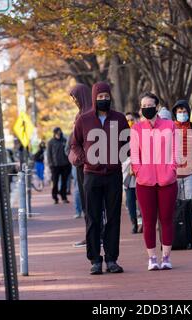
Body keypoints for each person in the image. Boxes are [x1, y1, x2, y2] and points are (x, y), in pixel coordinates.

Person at [69, 81, 129, 275]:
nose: (103, 100)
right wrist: (86, 158)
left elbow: (127, 142)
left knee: (113, 217)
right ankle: (95, 260)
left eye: (106, 96)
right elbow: (75, 144)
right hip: (91, 176)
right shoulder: (84, 119)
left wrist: (117, 157)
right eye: (100, 97)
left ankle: (112, 259)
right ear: (94, 98)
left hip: (113, 175)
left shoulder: (119, 118)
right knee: (93, 218)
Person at [130, 92, 178, 271]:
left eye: (150, 105)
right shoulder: (136, 129)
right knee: (148, 221)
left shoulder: (169, 126)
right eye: (143, 105)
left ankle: (166, 257)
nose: (146, 108)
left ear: (157, 107)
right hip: (144, 182)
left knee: (166, 219)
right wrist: (139, 172)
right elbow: (134, 155)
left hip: (167, 181)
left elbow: (175, 150)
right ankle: (152, 258)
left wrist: (172, 169)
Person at [68, 83, 92, 247]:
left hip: (88, 165)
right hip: (80, 165)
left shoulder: (90, 115)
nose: (74, 100)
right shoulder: (79, 115)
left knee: (92, 202)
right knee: (85, 201)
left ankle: (96, 235)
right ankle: (90, 234)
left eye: (76, 97)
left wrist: (82, 157)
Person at [122, 112, 139, 234]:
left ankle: (143, 222)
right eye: (127, 120)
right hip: (127, 174)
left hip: (140, 173)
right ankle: (134, 223)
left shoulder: (140, 133)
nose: (130, 122)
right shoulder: (121, 136)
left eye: (131, 119)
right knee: (130, 201)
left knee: (143, 201)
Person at [47, 127, 71, 204]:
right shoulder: (51, 142)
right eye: (57, 132)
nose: (59, 133)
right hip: (55, 166)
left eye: (60, 132)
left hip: (65, 165)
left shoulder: (64, 140)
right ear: (54, 133)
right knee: (55, 182)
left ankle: (64, 197)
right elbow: (49, 154)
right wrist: (51, 164)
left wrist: (69, 162)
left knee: (64, 182)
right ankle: (55, 198)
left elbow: (68, 151)